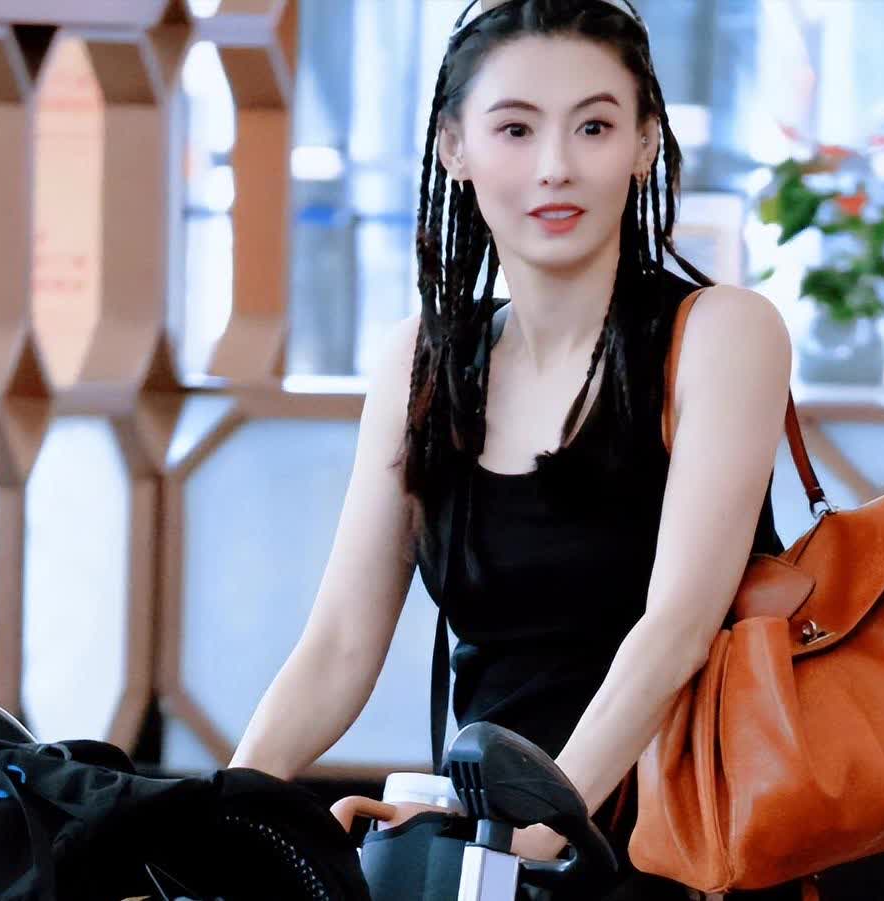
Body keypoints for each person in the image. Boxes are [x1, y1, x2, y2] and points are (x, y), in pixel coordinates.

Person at [230, 1, 794, 897]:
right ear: (455, 147)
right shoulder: (424, 361)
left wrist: (539, 830)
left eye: (594, 126)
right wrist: (228, 811)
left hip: (676, 851)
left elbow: (677, 630)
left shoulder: (724, 334)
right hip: (489, 853)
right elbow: (338, 644)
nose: (555, 166)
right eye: (516, 129)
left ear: (646, 141)